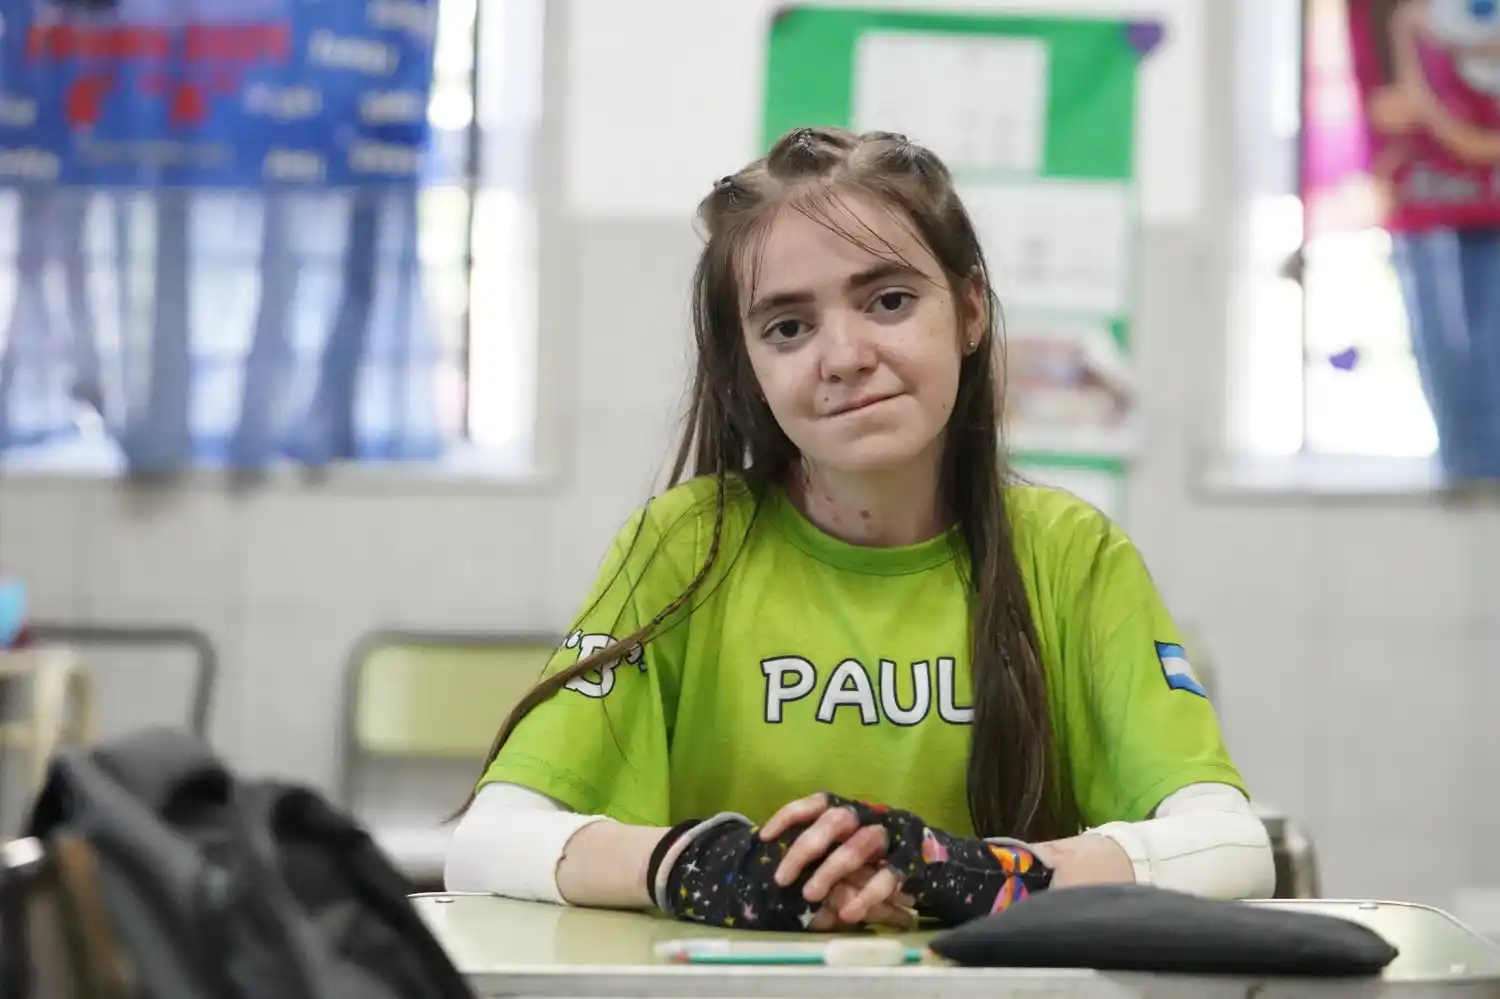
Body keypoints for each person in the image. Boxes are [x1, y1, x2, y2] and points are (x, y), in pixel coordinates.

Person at [445, 126, 1274, 931]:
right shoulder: (683, 545)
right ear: (748, 368)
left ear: (972, 310)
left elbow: (1231, 848)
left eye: (889, 300)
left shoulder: (1071, 554)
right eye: (788, 326)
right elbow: (486, 843)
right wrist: (704, 867)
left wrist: (973, 872)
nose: (843, 354)